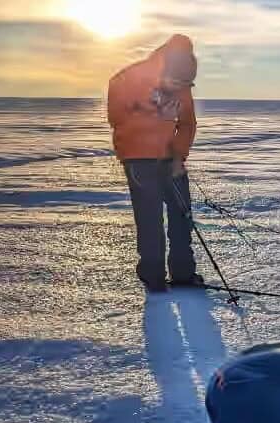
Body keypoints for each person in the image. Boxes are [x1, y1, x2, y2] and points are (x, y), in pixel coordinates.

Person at [106, 34, 201, 293]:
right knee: (150, 221)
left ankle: (183, 274)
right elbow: (116, 117)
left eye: (184, 83)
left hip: (170, 158)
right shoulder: (129, 78)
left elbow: (188, 124)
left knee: (182, 217)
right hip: (139, 159)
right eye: (176, 81)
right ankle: (153, 278)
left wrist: (179, 156)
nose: (180, 87)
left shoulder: (182, 84)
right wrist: (152, 107)